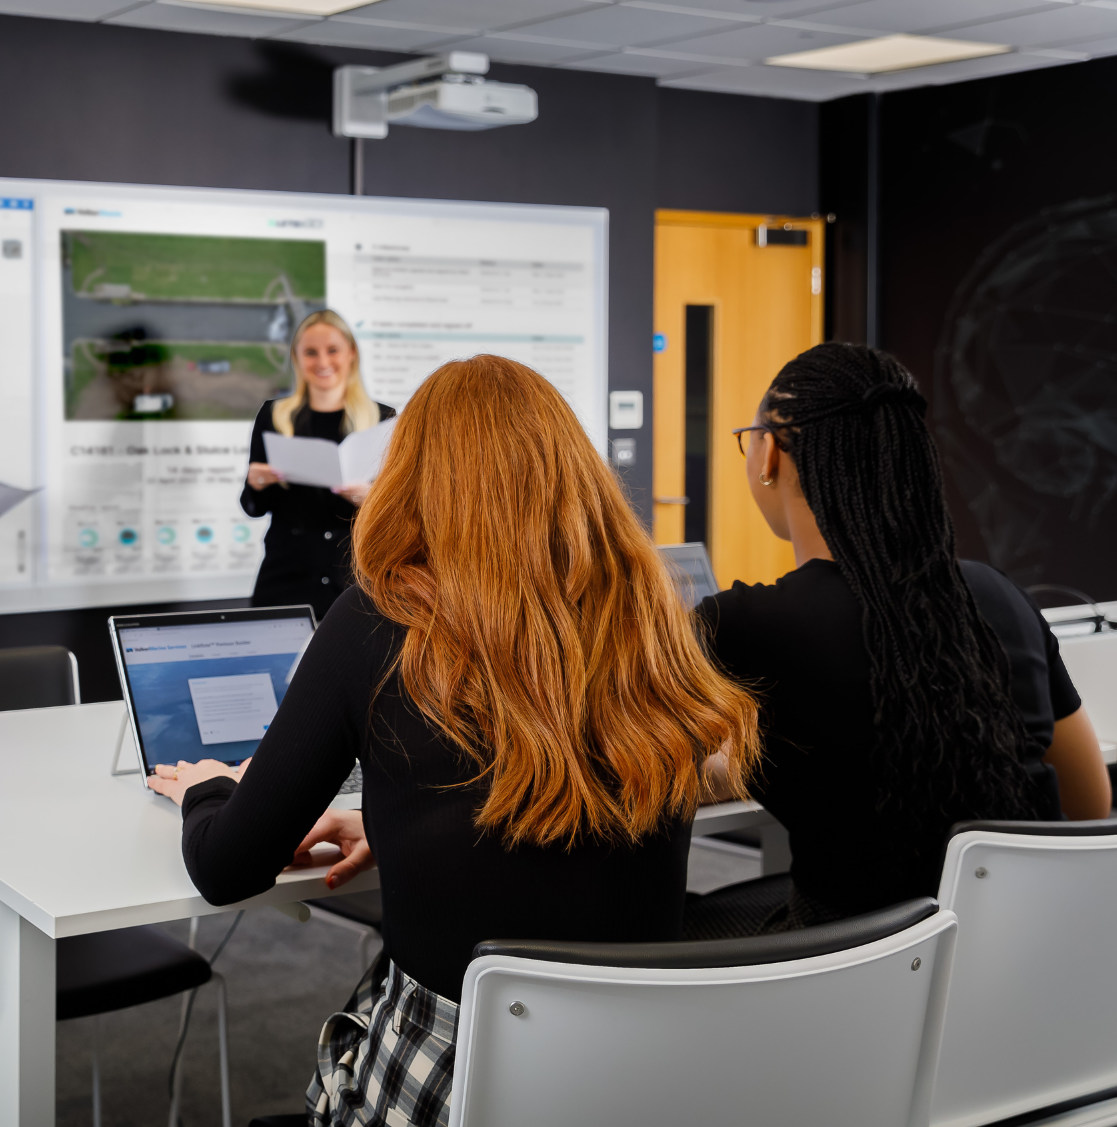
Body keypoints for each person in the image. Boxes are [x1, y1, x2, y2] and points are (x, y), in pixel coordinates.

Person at [148, 355, 760, 1125]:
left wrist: (210, 788)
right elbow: (550, 772)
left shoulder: (378, 622)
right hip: (648, 1072)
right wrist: (399, 822)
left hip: (457, 1071)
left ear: (412, 477)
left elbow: (227, 868)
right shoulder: (645, 616)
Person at [688, 342, 1109, 938]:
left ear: (770, 453)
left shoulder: (744, 626)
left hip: (851, 970)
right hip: (1021, 950)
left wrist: (734, 768)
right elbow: (1087, 805)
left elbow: (633, 768)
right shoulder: (996, 596)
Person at [242, 310, 395, 618]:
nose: (322, 362)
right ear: (297, 358)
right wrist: (256, 484)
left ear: (351, 354)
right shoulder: (273, 416)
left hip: (356, 580)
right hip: (286, 576)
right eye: (310, 353)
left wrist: (372, 499)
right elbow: (253, 507)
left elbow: (397, 512)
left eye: (333, 350)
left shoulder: (384, 419)